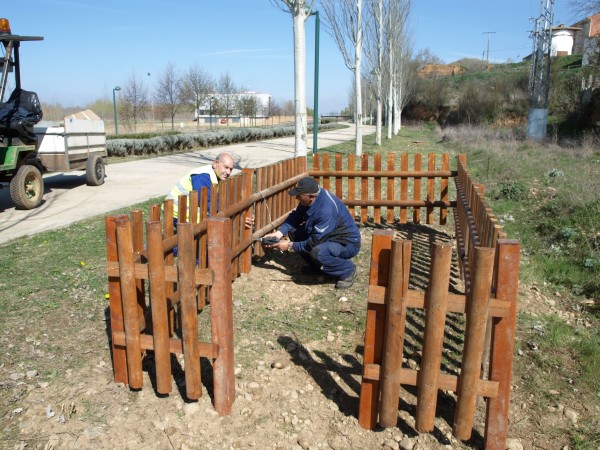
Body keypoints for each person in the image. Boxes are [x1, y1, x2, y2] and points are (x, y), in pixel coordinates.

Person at [263, 177, 361, 289]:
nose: (296, 198)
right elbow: (296, 216)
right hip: (325, 237)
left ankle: (347, 270)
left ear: (311, 196)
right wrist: (279, 234)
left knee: (318, 252)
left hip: (347, 243)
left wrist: (290, 245)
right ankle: (317, 267)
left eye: (299, 196)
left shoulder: (326, 210)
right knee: (295, 233)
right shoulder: (309, 201)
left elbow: (313, 242)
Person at [165, 152, 254, 227]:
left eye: (231, 169)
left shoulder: (214, 176)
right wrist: (235, 219)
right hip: (178, 213)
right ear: (215, 163)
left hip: (189, 213)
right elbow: (208, 205)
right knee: (188, 240)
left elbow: (217, 203)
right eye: (226, 167)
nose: (228, 172)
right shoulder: (203, 177)